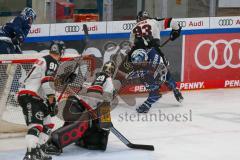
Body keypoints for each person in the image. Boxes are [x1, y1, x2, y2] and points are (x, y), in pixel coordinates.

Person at [41, 61, 117, 155]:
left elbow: (83, 89)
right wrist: (105, 120)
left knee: (74, 121)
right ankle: (55, 143)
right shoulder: (108, 80)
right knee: (81, 124)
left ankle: (52, 140)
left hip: (78, 103)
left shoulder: (92, 77)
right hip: (89, 107)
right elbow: (105, 98)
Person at [119, 10, 183, 113]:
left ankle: (152, 98)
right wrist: (177, 30)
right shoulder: (154, 21)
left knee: (148, 75)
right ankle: (174, 89)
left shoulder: (133, 29)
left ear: (138, 19)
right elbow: (173, 21)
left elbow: (131, 48)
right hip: (153, 50)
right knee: (163, 69)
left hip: (141, 54)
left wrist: (128, 64)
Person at [17, 41, 67, 160]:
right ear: (61, 51)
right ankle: (30, 154)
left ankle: (38, 150)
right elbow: (46, 82)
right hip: (30, 96)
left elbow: (46, 81)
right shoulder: (52, 61)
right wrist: (52, 102)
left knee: (48, 124)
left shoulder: (46, 60)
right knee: (36, 126)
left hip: (35, 97)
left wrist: (65, 80)